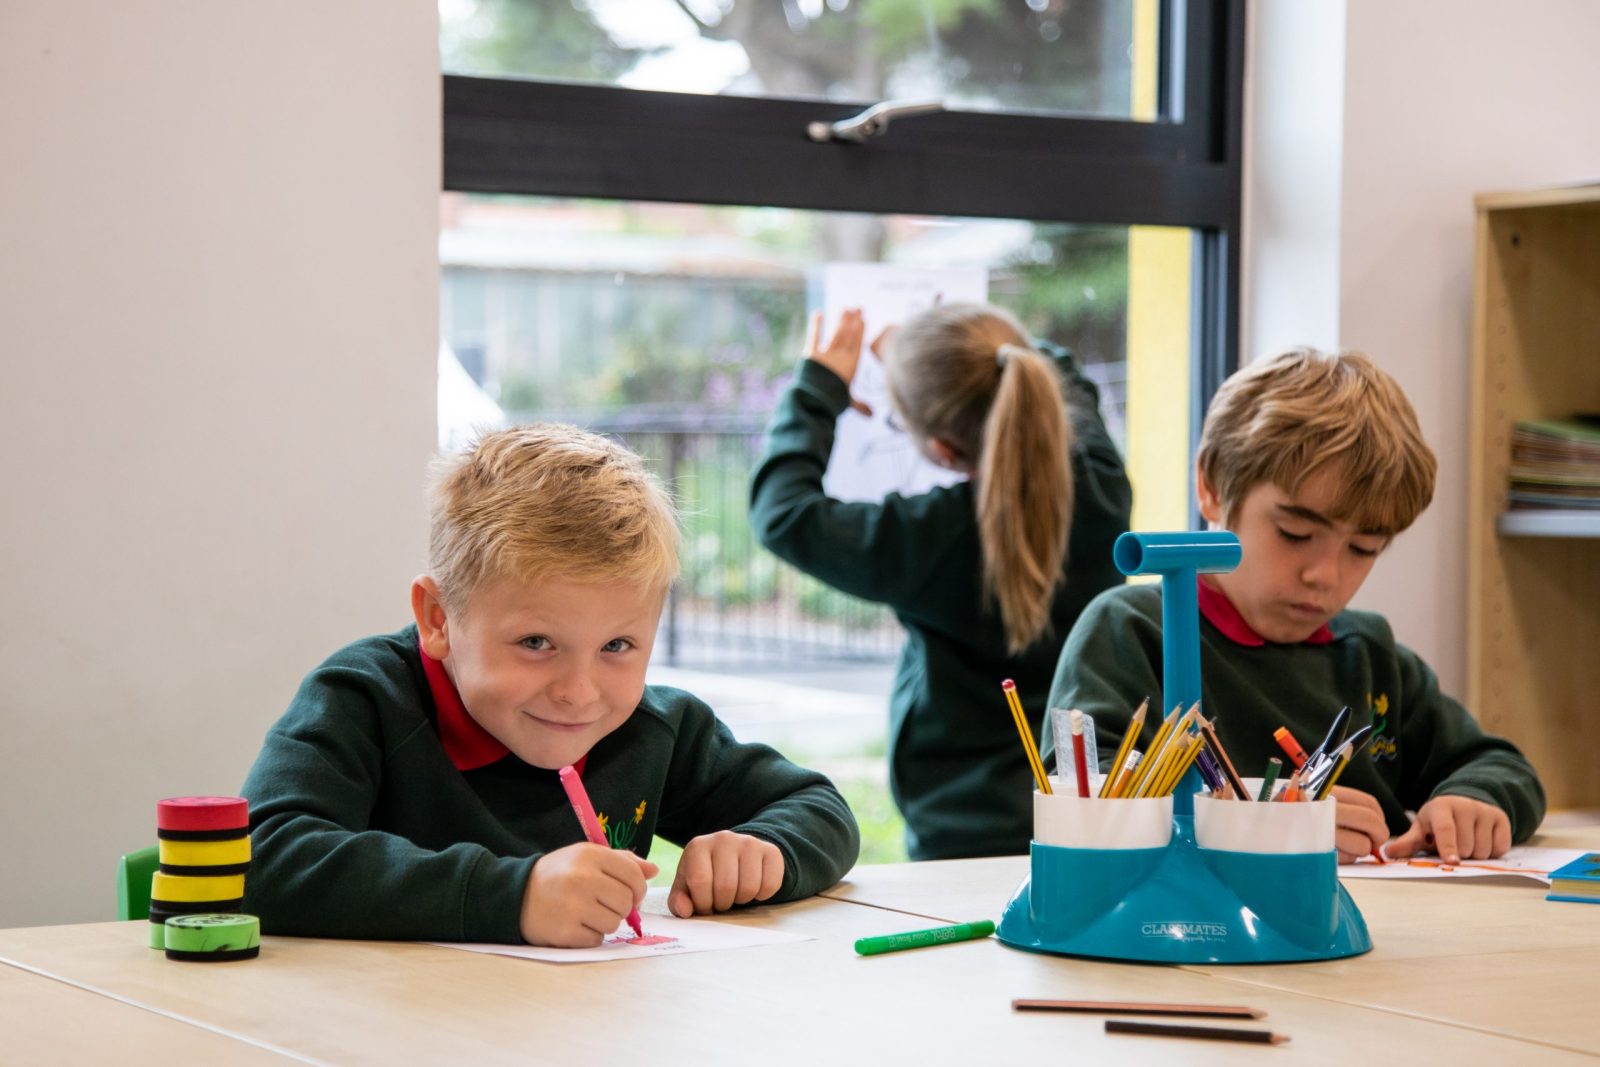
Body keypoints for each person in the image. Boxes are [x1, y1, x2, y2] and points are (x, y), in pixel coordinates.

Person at [242, 425, 859, 946]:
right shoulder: (366, 700)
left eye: (617, 647)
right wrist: (514, 898)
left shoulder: (652, 729)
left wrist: (763, 851)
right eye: (537, 643)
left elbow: (820, 810)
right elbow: (257, 859)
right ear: (439, 619)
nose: (580, 692)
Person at [1048, 348, 1545, 862]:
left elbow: (1497, 764)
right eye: (1295, 533)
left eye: (1363, 549)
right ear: (1212, 487)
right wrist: (1268, 820)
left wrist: (1473, 801)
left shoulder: (1369, 655)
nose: (1324, 576)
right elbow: (1085, 796)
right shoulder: (1130, 632)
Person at [750, 303, 1133, 860]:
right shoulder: (1104, 487)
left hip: (960, 830)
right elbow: (1061, 372)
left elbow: (785, 515)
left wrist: (821, 388)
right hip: (1085, 813)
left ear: (944, 450)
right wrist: (946, 348)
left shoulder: (928, 537)